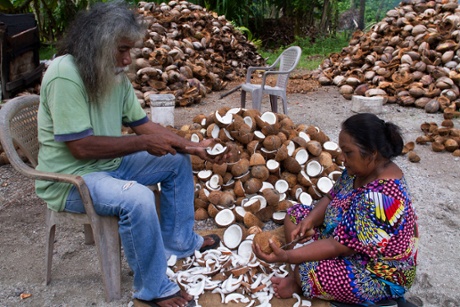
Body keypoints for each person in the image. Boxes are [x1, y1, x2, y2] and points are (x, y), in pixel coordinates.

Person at [36, 1, 227, 306]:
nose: (127, 59)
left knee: (177, 160)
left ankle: (178, 243)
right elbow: (81, 147)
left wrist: (193, 147)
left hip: (109, 165)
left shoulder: (115, 77)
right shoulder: (65, 73)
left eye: (130, 50)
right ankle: (152, 289)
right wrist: (141, 145)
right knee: (136, 198)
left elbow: (144, 127)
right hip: (71, 179)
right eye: (121, 49)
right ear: (98, 43)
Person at [253, 113, 418, 306]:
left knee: (305, 271)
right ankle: (298, 267)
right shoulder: (360, 168)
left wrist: (288, 256)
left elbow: (337, 246)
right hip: (346, 237)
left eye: (348, 152)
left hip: (376, 271)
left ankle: (387, 301)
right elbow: (331, 196)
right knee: (296, 214)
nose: (341, 158)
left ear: (372, 154)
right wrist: (310, 220)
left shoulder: (383, 198)